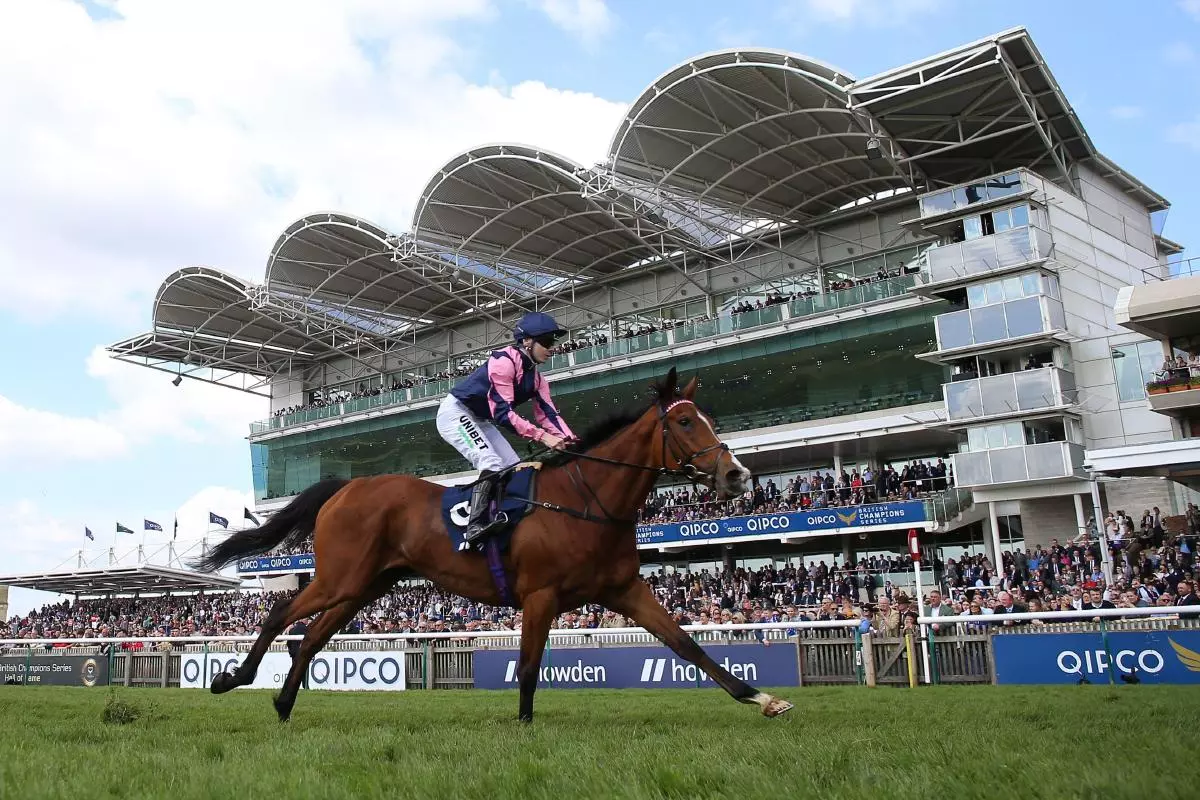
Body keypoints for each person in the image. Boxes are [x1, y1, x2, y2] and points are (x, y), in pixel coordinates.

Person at [436, 311, 578, 546]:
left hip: (480, 418)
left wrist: (572, 441)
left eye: (553, 342)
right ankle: (474, 525)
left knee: (513, 469)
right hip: (455, 413)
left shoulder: (538, 380)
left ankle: (499, 519)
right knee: (491, 464)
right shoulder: (503, 361)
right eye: (547, 342)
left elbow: (549, 415)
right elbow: (504, 414)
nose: (552, 347)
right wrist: (544, 438)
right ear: (526, 341)